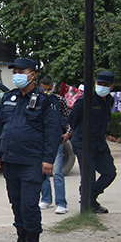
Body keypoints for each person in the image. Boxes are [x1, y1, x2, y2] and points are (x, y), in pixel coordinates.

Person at [0, 58, 61, 242]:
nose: (17, 75)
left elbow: (52, 132)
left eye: (21, 71)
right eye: (15, 71)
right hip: (10, 159)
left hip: (32, 161)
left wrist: (48, 159)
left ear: (32, 74)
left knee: (29, 204)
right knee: (16, 202)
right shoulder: (8, 97)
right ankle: (21, 240)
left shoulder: (46, 99)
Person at [68, 71, 117, 214]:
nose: (101, 87)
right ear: (95, 83)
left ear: (111, 86)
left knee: (110, 173)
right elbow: (73, 119)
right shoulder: (85, 100)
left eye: (105, 85)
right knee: (88, 177)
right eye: (99, 84)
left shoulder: (110, 101)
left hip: (99, 143)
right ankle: (88, 205)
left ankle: (90, 197)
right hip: (83, 142)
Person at [37, 77, 72, 214]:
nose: (46, 92)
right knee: (43, 172)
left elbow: (70, 118)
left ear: (52, 88)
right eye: (43, 90)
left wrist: (68, 133)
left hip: (55, 140)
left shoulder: (59, 100)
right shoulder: (35, 100)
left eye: (49, 89)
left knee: (57, 172)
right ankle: (46, 199)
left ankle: (61, 203)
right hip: (40, 140)